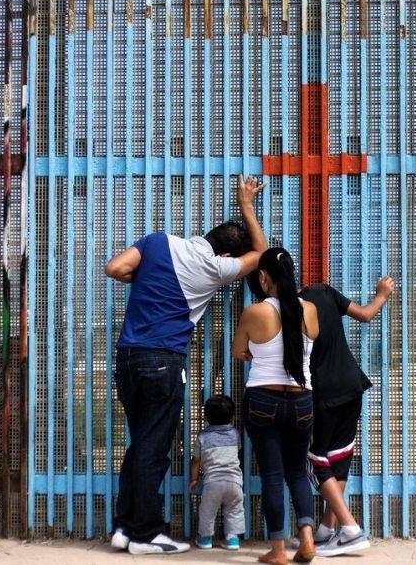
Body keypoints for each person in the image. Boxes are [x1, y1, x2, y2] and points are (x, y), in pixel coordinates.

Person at [104, 175, 267, 555]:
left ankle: (124, 527)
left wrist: (142, 278)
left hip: (127, 358)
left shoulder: (158, 241)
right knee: (153, 448)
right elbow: (260, 254)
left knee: (140, 443)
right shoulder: (215, 269)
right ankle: (146, 534)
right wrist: (246, 204)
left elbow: (114, 269)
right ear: (226, 257)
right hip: (163, 360)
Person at [232, 248, 320, 565]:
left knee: (272, 475)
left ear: (263, 276)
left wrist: (258, 353)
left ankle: (279, 551)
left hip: (263, 400)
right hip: (301, 400)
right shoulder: (309, 310)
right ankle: (307, 540)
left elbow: (238, 351)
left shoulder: (255, 312)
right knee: (298, 472)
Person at [301, 276, 392, 556]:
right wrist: (382, 295)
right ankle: (327, 531)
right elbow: (365, 315)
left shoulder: (288, 306)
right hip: (351, 385)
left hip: (323, 391)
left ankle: (350, 528)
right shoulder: (324, 292)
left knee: (316, 460)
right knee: (338, 456)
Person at [189, 394, 244, 551]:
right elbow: (237, 452)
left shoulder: (203, 437)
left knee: (207, 511)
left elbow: (195, 461)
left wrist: (194, 479)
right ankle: (232, 540)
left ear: (205, 416)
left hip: (213, 482)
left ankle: (205, 539)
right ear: (232, 417)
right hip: (235, 482)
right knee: (234, 510)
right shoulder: (235, 434)